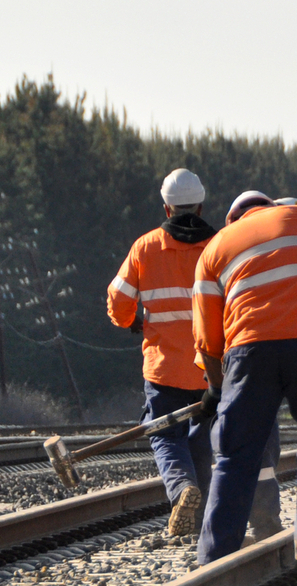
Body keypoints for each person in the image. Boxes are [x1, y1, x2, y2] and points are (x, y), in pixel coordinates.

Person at [192, 191, 297, 584]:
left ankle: (214, 564)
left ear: (233, 219)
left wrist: (215, 389)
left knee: (236, 457)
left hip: (251, 350)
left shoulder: (214, 250)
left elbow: (208, 343)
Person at [108, 168, 219, 536]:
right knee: (201, 439)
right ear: (201, 206)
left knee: (162, 434)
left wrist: (130, 322)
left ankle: (181, 489)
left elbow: (118, 300)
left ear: (166, 208)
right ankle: (199, 518)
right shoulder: (220, 246)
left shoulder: (146, 247)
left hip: (164, 368)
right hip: (210, 369)